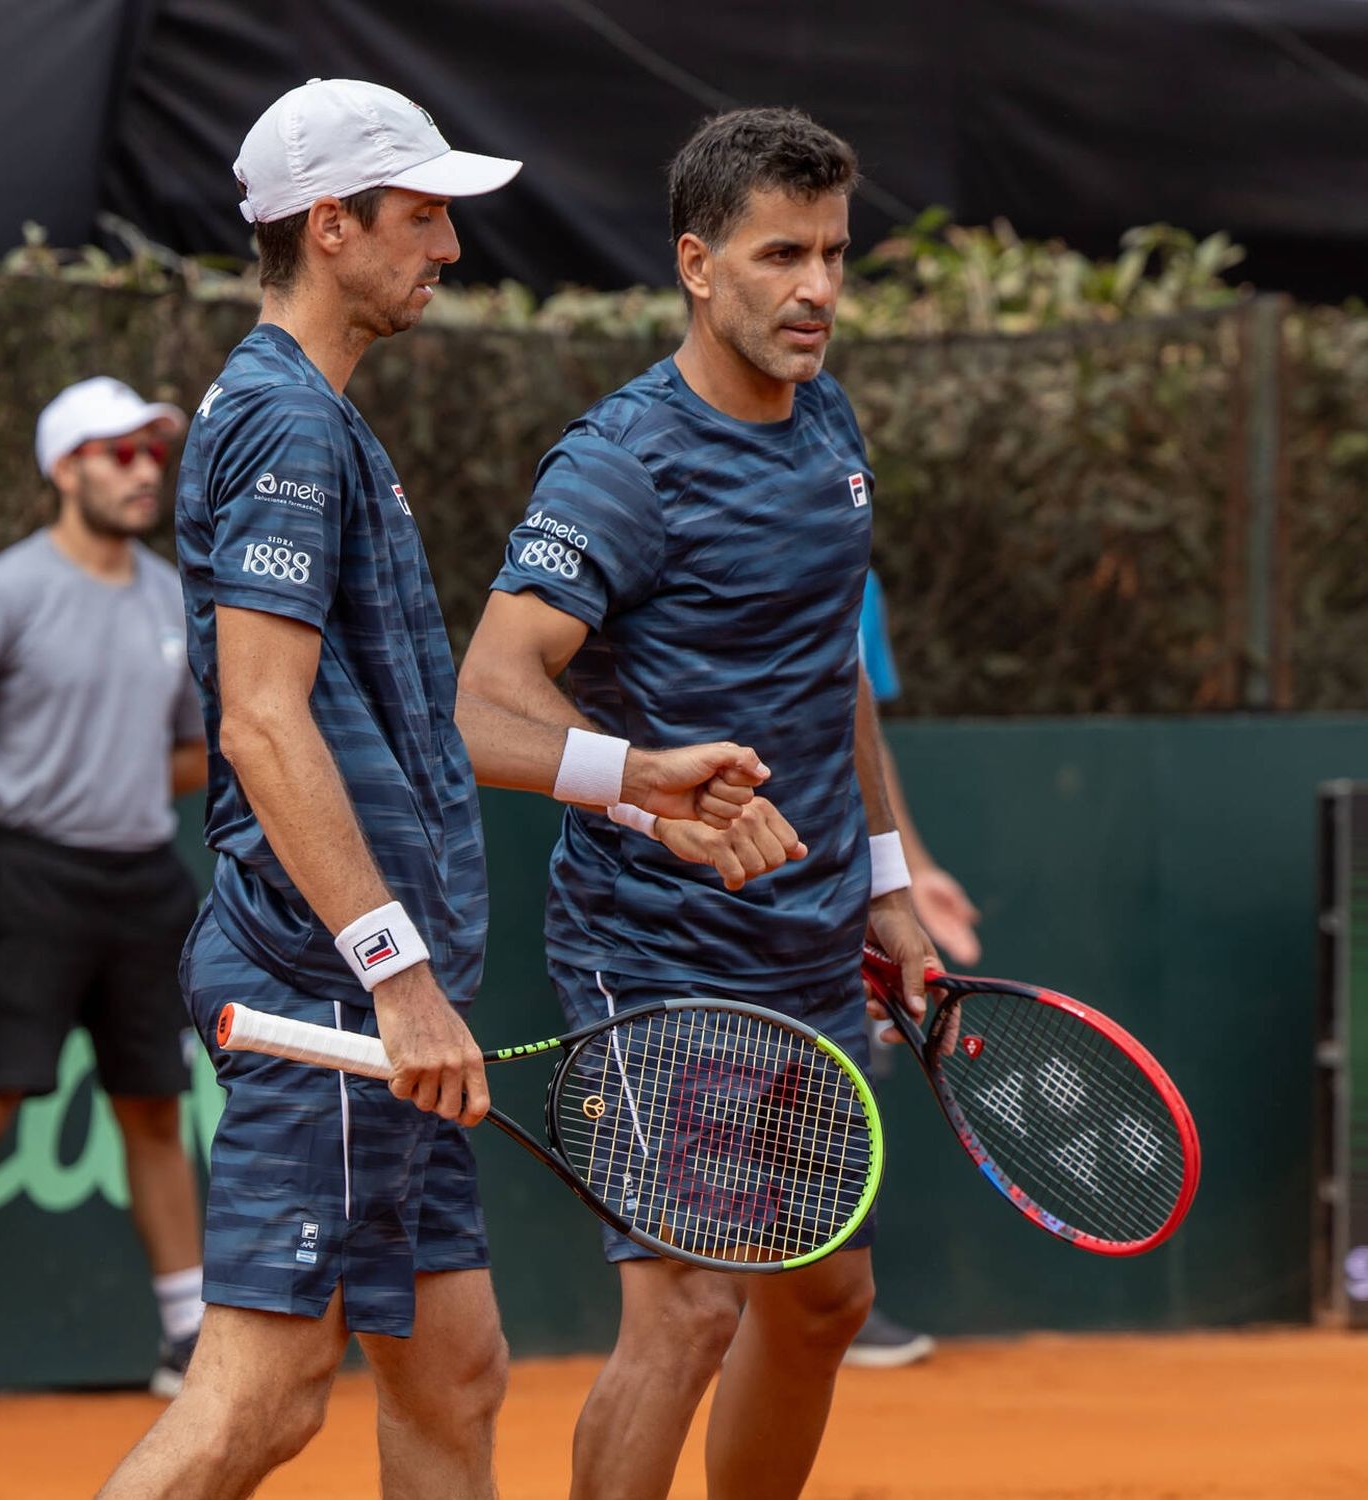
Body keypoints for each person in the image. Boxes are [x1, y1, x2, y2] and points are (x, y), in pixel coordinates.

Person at [96, 79, 773, 1500]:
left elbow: (412, 730)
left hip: (383, 990)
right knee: (263, 1401)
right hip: (333, 991)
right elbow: (263, 727)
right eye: (422, 215)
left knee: (452, 1371)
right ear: (329, 226)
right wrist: (394, 977)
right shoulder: (284, 425)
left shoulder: (319, 423)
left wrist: (635, 789)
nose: (452, 248)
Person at [459, 106, 937, 1500]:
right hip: (653, 949)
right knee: (686, 1309)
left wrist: (890, 883)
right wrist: (640, 794)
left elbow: (831, 667)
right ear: (696, 262)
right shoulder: (622, 465)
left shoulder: (829, 423)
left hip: (806, 942)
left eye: (836, 255)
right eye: (782, 254)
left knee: (825, 1302)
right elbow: (485, 699)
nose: (817, 290)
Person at [0, 376, 209, 1412]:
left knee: (155, 1108)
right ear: (65, 469)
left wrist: (115, 790)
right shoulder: (6, 590)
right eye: (118, 454)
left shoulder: (171, 599)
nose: (142, 469)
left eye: (152, 453)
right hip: (31, 880)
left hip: (145, 883)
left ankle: (188, 1334)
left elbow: (201, 748)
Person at [842, 568, 982, 1369]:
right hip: (701, 862)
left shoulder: (852, 565)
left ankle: (828, 1302)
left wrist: (908, 874)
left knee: (848, 1067)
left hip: (833, 868)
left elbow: (862, 733)